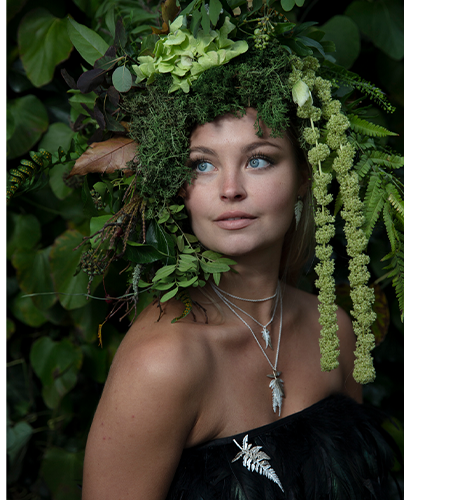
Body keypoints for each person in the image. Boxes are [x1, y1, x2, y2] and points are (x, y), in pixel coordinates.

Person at [81, 107, 396, 499]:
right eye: (202, 165)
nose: (230, 189)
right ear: (179, 188)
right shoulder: (163, 362)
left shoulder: (332, 331)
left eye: (258, 160)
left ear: (303, 175)